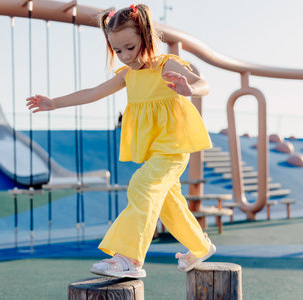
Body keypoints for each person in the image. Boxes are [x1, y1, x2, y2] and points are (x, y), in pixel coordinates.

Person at [26, 4, 216, 279]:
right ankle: (200, 246)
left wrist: (190, 89)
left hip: (174, 148)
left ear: (146, 37)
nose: (125, 56)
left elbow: (204, 84)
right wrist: (54, 103)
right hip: (155, 152)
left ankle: (129, 258)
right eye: (117, 51)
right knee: (168, 203)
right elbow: (92, 92)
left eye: (130, 47)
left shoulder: (167, 65)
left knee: (141, 186)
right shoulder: (128, 75)